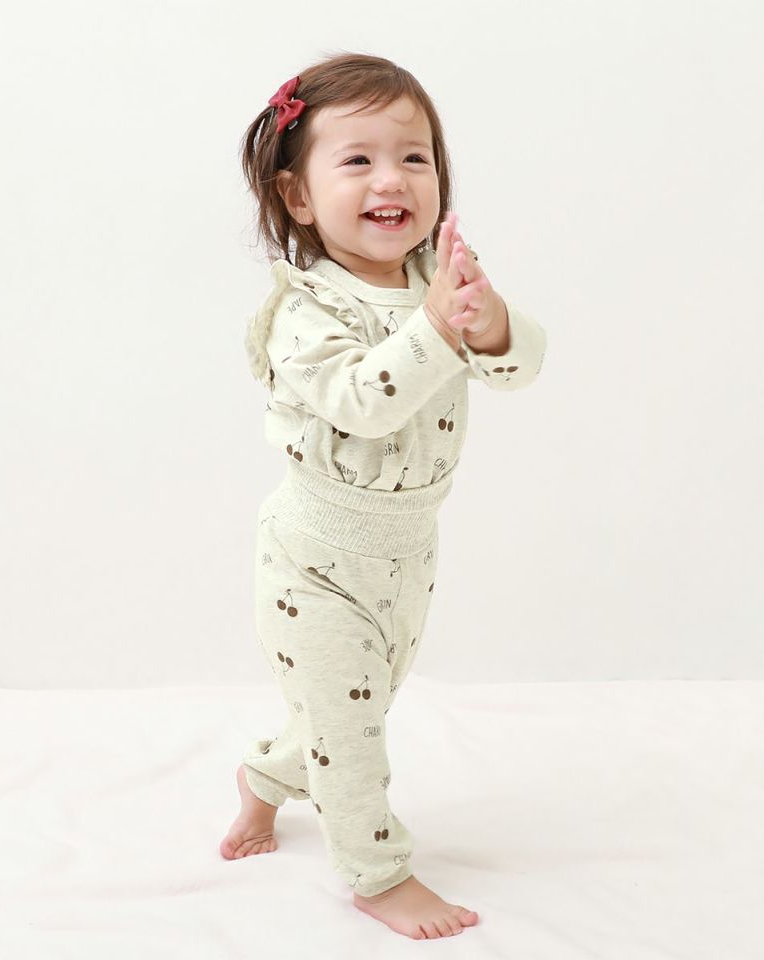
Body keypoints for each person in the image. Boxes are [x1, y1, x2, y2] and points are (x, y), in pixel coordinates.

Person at [219, 53, 547, 940]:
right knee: (354, 729)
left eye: (415, 156)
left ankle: (266, 776)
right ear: (297, 196)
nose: (392, 178)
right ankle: (377, 874)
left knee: (355, 705)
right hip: (316, 558)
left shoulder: (433, 282)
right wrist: (439, 328)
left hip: (406, 551)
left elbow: (516, 371)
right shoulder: (303, 312)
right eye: (358, 159)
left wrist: (490, 323)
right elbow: (365, 403)